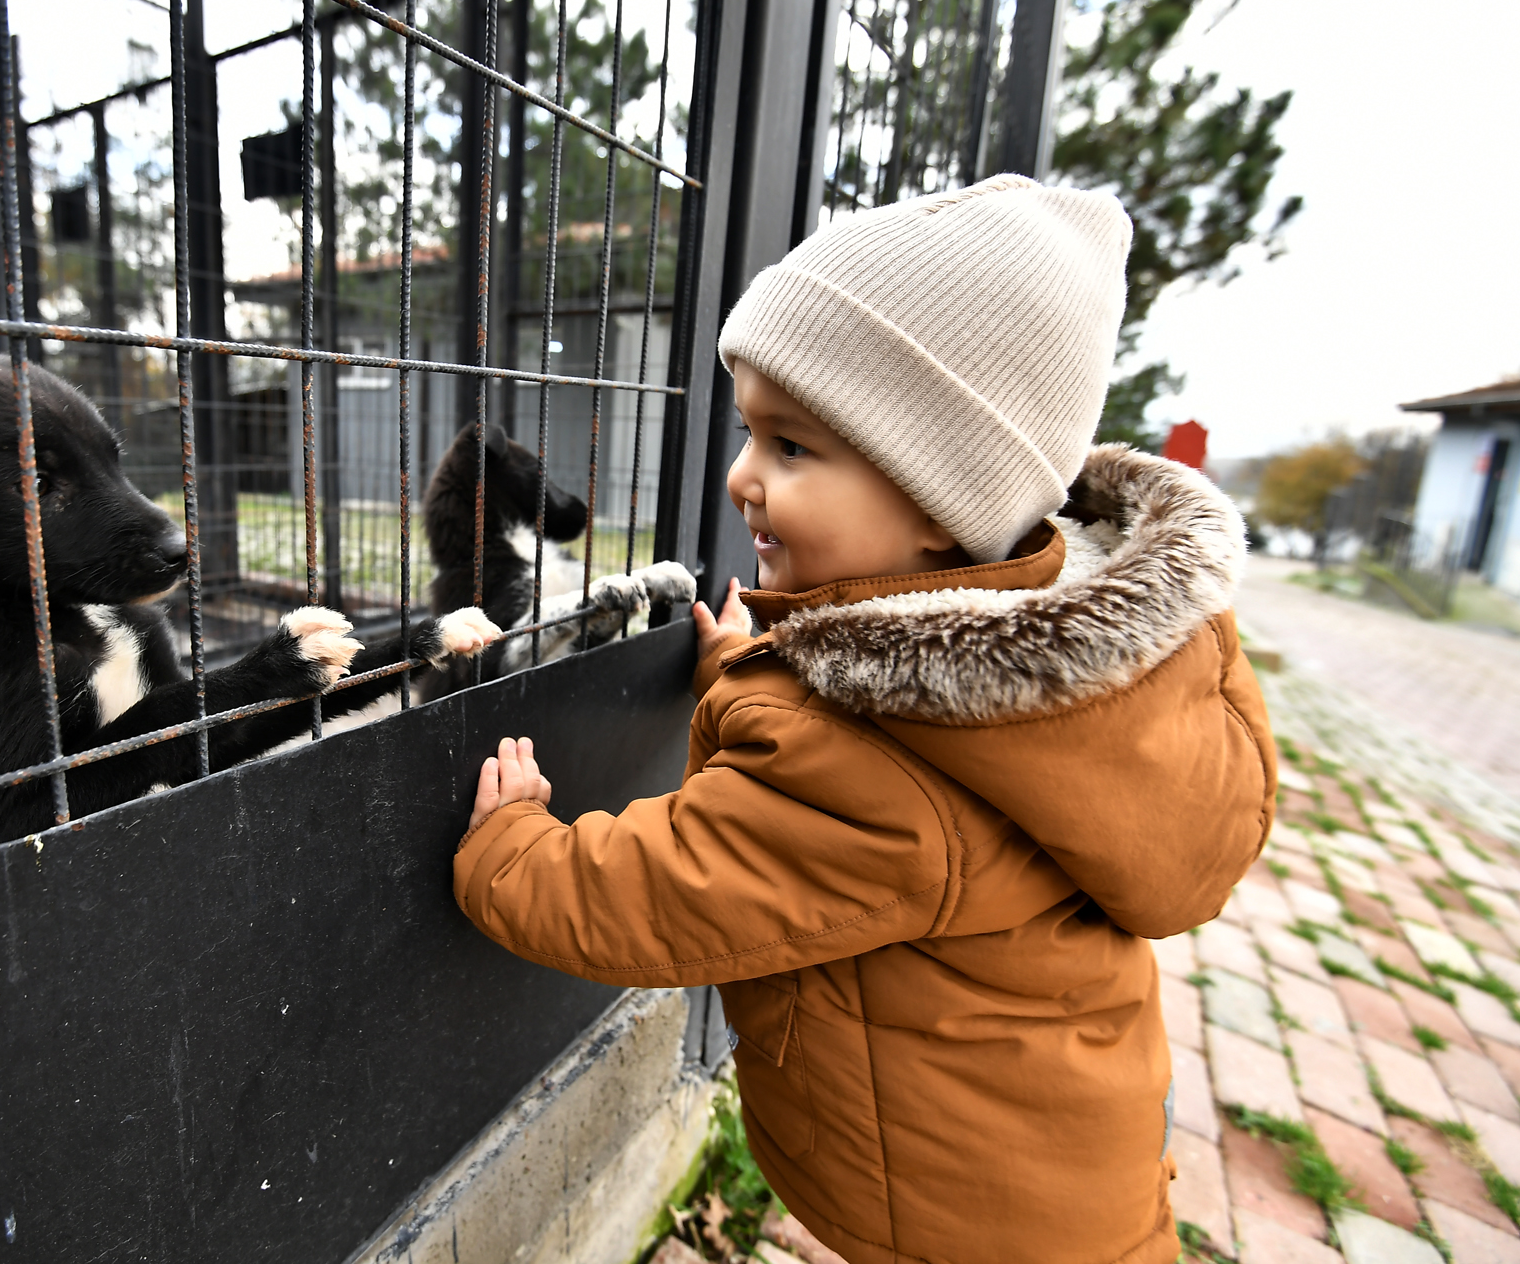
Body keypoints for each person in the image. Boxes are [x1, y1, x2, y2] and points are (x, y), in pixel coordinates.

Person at [452, 175, 1275, 1264]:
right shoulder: (1040, 671)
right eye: (750, 432)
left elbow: (667, 891)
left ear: (941, 507)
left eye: (791, 448)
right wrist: (754, 664)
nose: (742, 477)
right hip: (1058, 1173)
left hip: (965, 1225)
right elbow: (888, 715)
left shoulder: (872, 758)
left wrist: (508, 852)